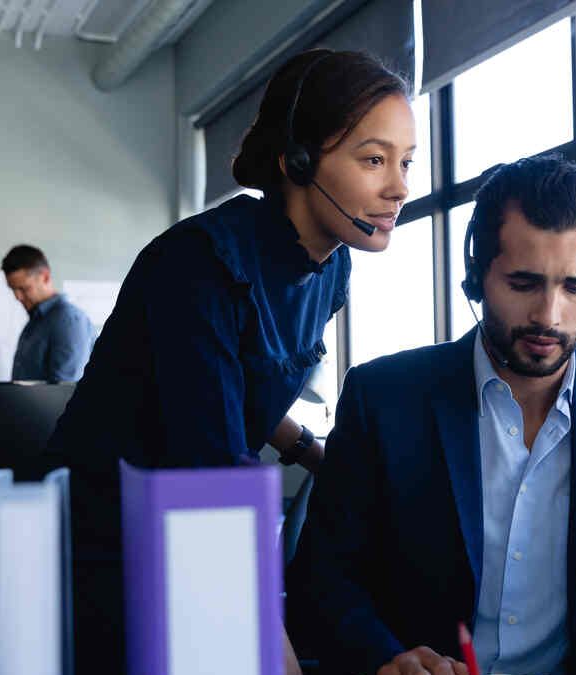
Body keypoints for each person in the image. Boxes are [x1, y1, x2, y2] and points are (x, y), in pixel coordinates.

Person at [42, 49, 416, 673]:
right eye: (374, 159)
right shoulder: (199, 263)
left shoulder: (331, 269)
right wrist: (274, 644)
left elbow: (246, 383)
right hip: (110, 535)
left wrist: (312, 452)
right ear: (298, 161)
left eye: (406, 162)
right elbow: (207, 461)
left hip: (196, 518)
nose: (400, 186)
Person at [286, 156, 576, 675]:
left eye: (574, 287)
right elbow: (323, 581)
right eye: (523, 283)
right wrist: (388, 660)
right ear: (477, 273)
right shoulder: (382, 398)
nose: (549, 315)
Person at [2, 244, 96, 383]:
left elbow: (63, 392)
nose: (18, 297)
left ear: (45, 277)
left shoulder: (68, 320)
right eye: (13, 289)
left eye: (24, 289)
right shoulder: (36, 320)